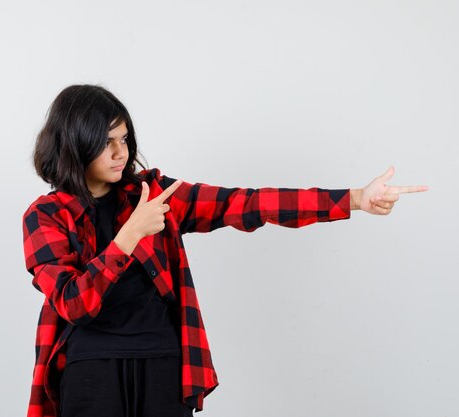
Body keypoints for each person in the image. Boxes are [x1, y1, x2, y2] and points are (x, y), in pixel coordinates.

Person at [21, 84, 428, 417]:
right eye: (105, 142)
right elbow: (73, 303)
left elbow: (246, 203)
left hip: (163, 362)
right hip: (90, 370)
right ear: (75, 142)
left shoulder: (155, 194)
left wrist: (355, 198)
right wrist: (130, 235)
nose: (120, 152)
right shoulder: (46, 216)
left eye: (124, 138)